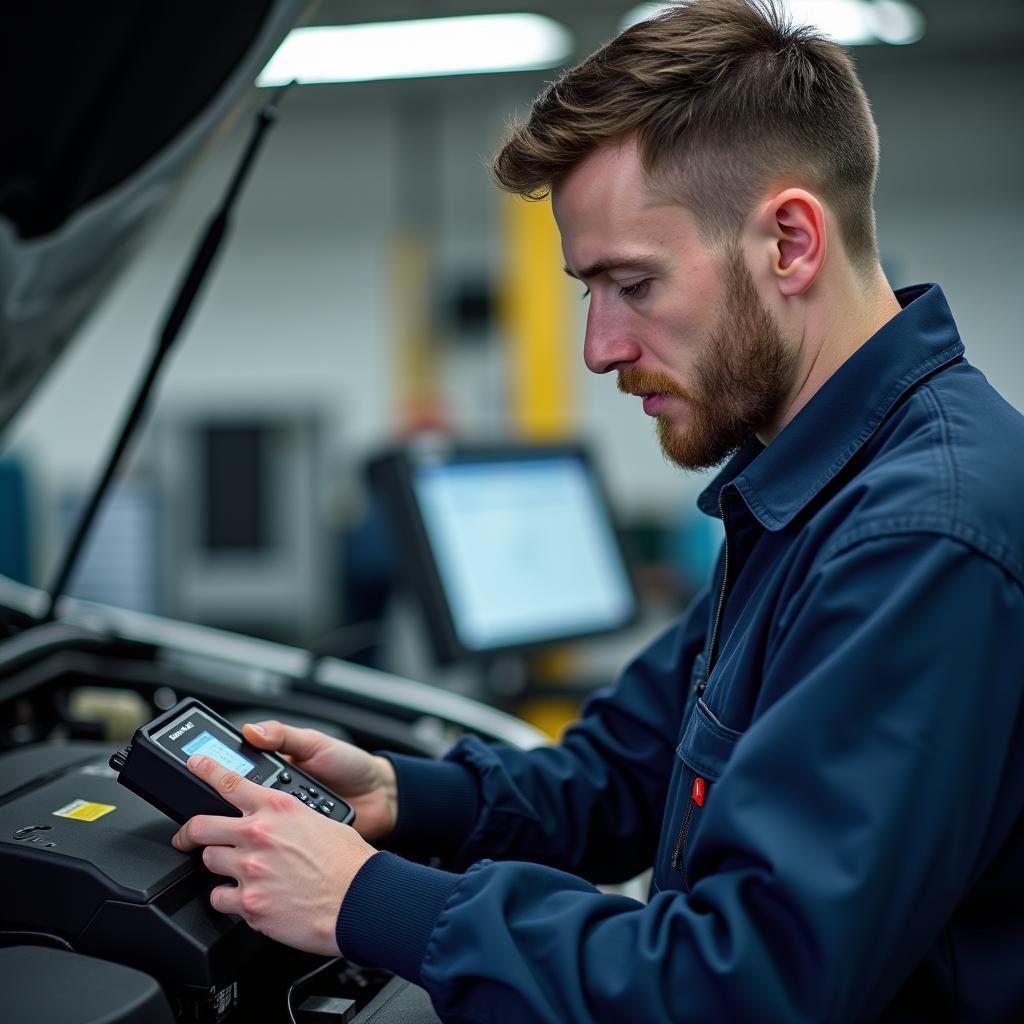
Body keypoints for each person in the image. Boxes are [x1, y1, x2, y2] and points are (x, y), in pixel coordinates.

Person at [171, 1, 1024, 1019]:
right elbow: (624, 771)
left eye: (631, 283)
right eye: (588, 292)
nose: (600, 348)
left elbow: (748, 981)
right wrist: (404, 796)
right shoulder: (810, 491)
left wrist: (370, 901)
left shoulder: (918, 533)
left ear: (790, 242)